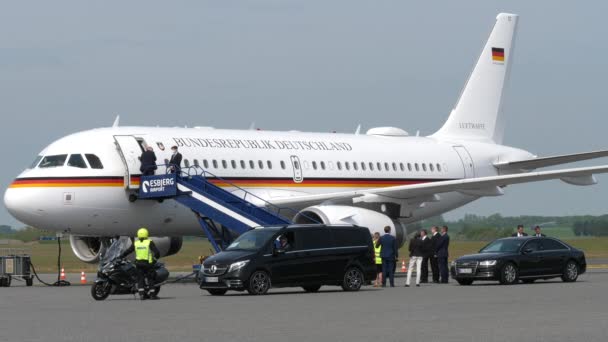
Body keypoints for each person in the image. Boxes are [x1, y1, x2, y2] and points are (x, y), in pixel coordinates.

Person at [120, 227, 161, 300]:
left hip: (138, 264)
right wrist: (154, 260)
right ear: (146, 234)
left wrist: (121, 256)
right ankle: (152, 295)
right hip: (148, 264)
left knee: (140, 279)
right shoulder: (149, 242)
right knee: (150, 279)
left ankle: (142, 295)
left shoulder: (136, 243)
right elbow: (157, 253)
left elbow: (128, 251)